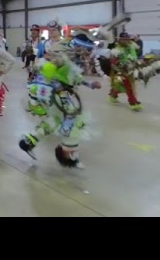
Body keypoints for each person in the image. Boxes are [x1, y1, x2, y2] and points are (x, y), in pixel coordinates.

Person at [19, 40, 101, 169]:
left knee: (53, 123)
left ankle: (28, 142)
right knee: (72, 122)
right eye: (67, 51)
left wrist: (90, 84)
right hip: (53, 98)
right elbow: (39, 82)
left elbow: (76, 77)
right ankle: (69, 154)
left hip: (59, 97)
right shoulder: (46, 64)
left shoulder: (65, 64)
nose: (71, 53)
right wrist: (53, 87)